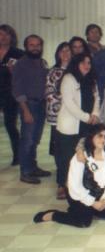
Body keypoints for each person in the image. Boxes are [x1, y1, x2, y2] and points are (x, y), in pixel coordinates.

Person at [33, 124, 105, 227]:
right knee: (84, 222)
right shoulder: (80, 157)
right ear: (91, 137)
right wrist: (92, 203)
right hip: (78, 193)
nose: (103, 139)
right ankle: (54, 215)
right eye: (99, 136)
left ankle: (85, 210)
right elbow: (75, 186)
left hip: (97, 192)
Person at [55, 53, 100, 198]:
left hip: (87, 125)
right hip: (70, 126)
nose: (87, 66)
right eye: (83, 63)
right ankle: (62, 185)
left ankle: (79, 184)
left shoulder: (92, 80)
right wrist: (86, 117)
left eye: (89, 63)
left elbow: (97, 98)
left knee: (84, 156)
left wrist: (95, 114)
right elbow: (69, 104)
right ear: (76, 64)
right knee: (66, 158)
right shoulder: (68, 79)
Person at [12, 34, 51, 184]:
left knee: (35, 139)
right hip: (28, 106)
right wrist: (26, 110)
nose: (35, 48)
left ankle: (33, 167)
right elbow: (17, 89)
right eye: (32, 45)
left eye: (38, 45)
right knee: (27, 140)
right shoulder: (20, 64)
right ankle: (25, 171)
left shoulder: (42, 62)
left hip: (40, 105)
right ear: (26, 46)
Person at [45, 42, 72, 174]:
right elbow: (49, 92)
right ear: (58, 54)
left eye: (68, 51)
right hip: (57, 114)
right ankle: (61, 171)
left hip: (74, 115)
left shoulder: (76, 70)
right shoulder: (53, 71)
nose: (65, 54)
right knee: (58, 145)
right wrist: (66, 101)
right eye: (62, 51)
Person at [0, 24, 24, 166]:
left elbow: (23, 76)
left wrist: (14, 70)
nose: (3, 37)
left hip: (10, 94)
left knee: (10, 125)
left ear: (12, 37)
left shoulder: (18, 53)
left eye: (6, 34)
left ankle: (18, 156)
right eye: (1, 34)